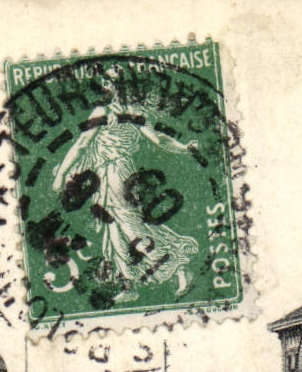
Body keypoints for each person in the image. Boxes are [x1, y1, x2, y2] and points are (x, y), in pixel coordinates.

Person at [52, 71, 200, 302]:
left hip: (114, 175)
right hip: (114, 175)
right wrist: (184, 148)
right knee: (115, 231)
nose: (106, 85)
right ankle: (128, 284)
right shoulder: (135, 113)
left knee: (132, 229)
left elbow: (81, 144)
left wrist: (61, 173)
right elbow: (159, 139)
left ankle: (177, 265)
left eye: (109, 82)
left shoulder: (104, 112)